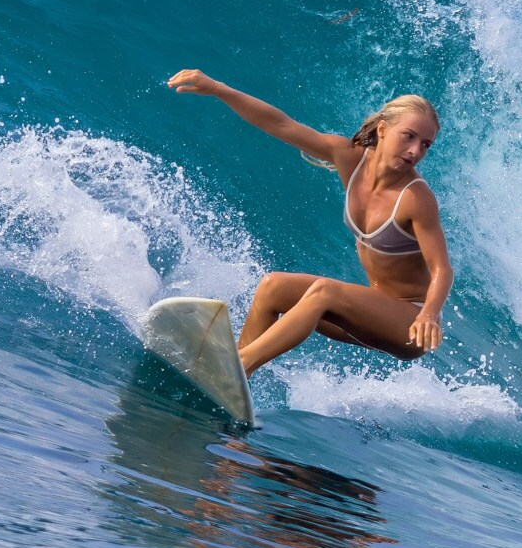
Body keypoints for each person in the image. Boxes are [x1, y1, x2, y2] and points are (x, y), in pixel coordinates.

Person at [166, 70, 453, 376]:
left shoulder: (416, 198)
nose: (415, 151)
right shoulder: (350, 158)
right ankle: (235, 380)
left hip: (410, 322)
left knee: (324, 291)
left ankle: (236, 365)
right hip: (369, 308)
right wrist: (219, 88)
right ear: (382, 129)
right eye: (409, 136)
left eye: (425, 144)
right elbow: (280, 125)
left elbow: (442, 268)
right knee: (272, 287)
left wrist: (429, 315)